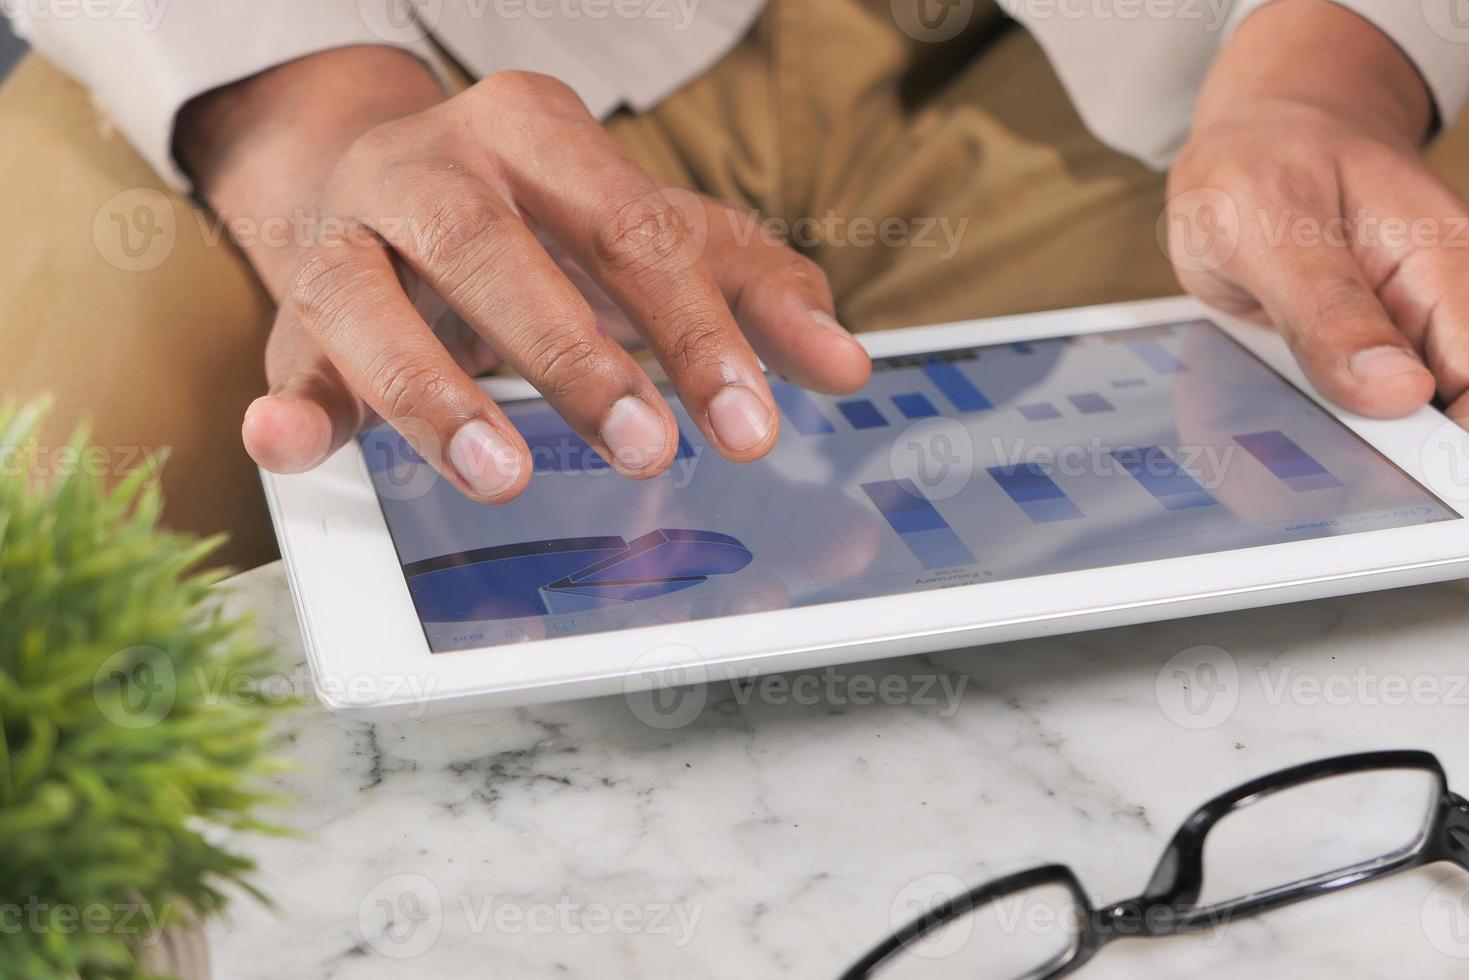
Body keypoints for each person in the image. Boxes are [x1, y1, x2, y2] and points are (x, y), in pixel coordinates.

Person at [4, 0, 1468, 568]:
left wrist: (1322, 80)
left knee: (1378, 497)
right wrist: (317, 136)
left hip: (1191, 50)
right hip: (388, 38)